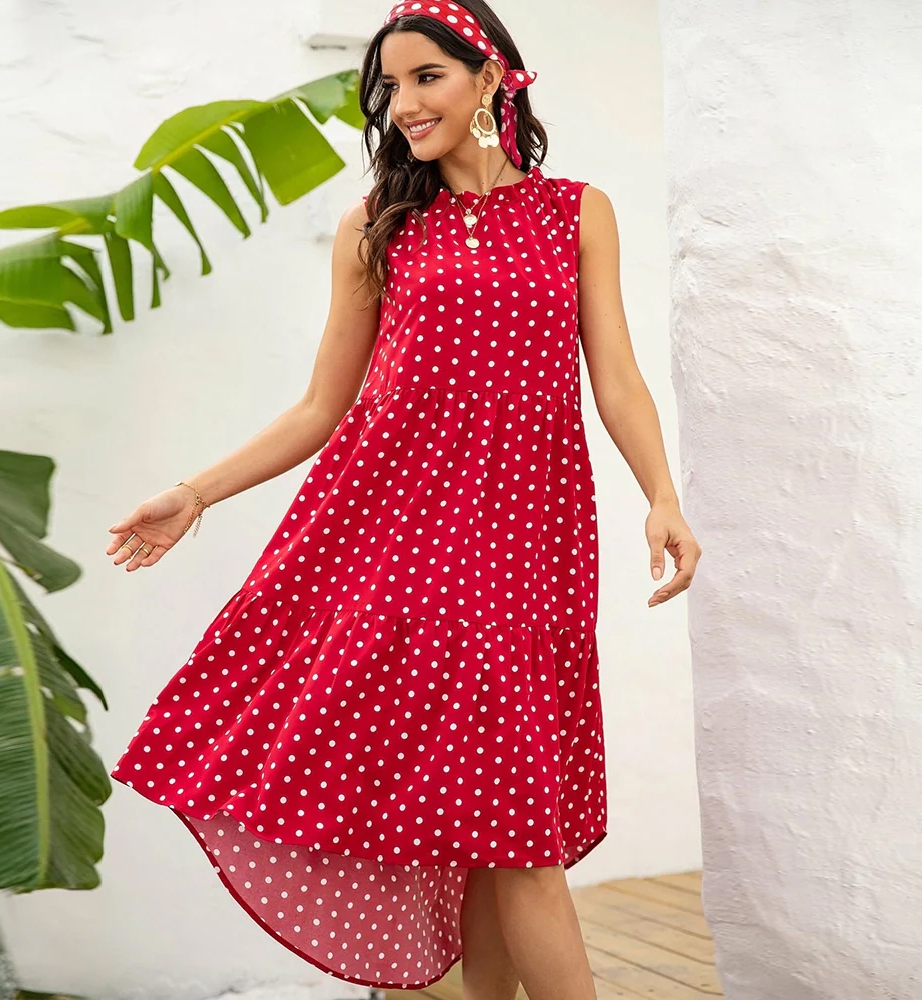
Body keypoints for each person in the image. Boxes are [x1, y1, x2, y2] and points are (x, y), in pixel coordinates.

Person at [106, 1, 702, 997]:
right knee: (513, 832)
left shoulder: (576, 212)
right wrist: (194, 493)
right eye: (390, 85)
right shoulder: (378, 226)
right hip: (405, 547)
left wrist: (662, 495)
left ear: (492, 77)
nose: (404, 102)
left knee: (497, 824)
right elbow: (320, 407)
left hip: (528, 545)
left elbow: (617, 378)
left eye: (427, 76)